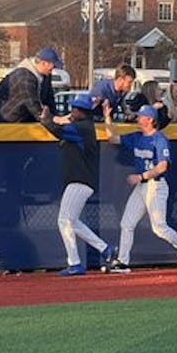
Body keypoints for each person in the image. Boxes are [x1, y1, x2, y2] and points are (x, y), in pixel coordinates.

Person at [103, 102, 177, 273]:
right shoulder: (137, 136)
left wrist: (141, 176)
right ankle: (123, 261)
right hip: (142, 186)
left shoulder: (159, 139)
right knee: (127, 223)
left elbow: (162, 167)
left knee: (159, 227)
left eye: (140, 116)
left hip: (156, 185)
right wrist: (107, 116)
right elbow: (112, 138)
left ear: (149, 119)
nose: (137, 118)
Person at [39, 93, 117, 276]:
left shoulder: (83, 127)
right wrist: (53, 119)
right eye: (72, 108)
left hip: (80, 180)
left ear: (84, 112)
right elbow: (62, 125)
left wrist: (46, 120)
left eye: (76, 109)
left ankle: (75, 263)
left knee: (64, 220)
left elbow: (57, 130)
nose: (73, 111)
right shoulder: (79, 124)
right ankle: (105, 249)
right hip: (78, 180)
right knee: (71, 221)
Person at [0, 47, 62, 123]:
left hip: (22, 119)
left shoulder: (45, 75)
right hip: (5, 120)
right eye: (53, 66)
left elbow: (49, 99)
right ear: (43, 63)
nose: (53, 70)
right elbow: (32, 104)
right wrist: (52, 120)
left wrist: (56, 116)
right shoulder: (24, 77)